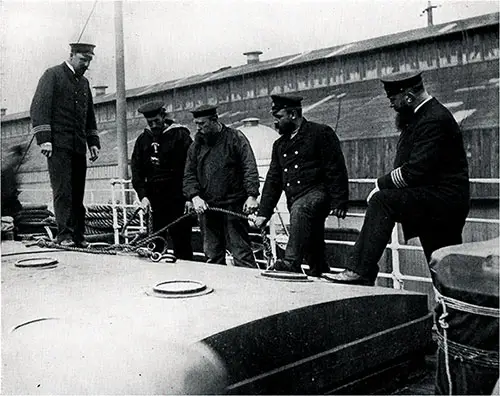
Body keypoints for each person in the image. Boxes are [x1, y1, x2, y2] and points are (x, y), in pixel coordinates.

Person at [325, 71, 470, 286]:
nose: (391, 105)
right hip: (434, 200)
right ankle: (455, 315)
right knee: (443, 270)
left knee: (383, 201)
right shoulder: (423, 115)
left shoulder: (434, 119)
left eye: (393, 99)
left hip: (443, 203)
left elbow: (415, 170)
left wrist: (380, 185)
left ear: (409, 96)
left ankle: (360, 270)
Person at [253, 95, 349, 276]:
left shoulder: (320, 133)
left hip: (318, 194)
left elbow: (335, 168)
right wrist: (263, 213)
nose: (276, 123)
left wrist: (339, 201)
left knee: (301, 210)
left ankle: (290, 262)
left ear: (293, 114)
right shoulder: (279, 145)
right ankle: (319, 274)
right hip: (296, 199)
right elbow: (273, 181)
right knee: (312, 244)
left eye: (279, 117)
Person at [30, 42, 100, 247]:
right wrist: (45, 140)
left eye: (89, 60)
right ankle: (64, 235)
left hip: (78, 145)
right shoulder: (52, 75)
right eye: (83, 59)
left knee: (78, 192)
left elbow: (89, 116)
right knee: (63, 191)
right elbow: (39, 107)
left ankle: (78, 236)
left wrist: (93, 142)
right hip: (58, 145)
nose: (86, 64)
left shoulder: (84, 83)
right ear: (71, 55)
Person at [183, 104, 260, 268]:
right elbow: (189, 175)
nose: (198, 128)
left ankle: (251, 290)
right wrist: (194, 196)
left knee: (242, 253)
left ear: (214, 120)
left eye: (202, 124)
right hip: (208, 208)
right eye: (196, 124)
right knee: (212, 254)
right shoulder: (196, 145)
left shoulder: (235, 138)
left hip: (233, 205)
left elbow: (249, 167)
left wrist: (252, 195)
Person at [131, 101, 193, 259]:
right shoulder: (143, 140)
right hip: (154, 203)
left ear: (163, 116)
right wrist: (143, 196)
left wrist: (189, 197)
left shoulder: (181, 136)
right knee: (155, 245)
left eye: (156, 121)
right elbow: (137, 171)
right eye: (149, 122)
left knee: (182, 244)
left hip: (178, 200)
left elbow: (191, 168)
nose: (153, 125)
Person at [1, 144, 25, 217]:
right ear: (15, 156)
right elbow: (8, 194)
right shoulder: (8, 171)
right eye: (19, 159)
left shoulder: (9, 170)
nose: (21, 161)